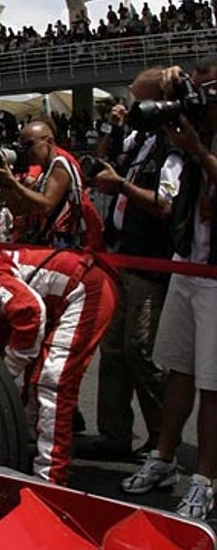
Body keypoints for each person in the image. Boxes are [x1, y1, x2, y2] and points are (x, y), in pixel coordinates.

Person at [0, 247, 117, 486]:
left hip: (87, 290)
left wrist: (9, 369)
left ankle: (50, 478)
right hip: (67, 298)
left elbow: (30, 314)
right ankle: (32, 446)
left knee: (52, 382)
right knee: (36, 380)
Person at [121, 78, 217, 520]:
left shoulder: (199, 143)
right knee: (178, 368)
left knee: (212, 385)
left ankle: (204, 480)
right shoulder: (187, 136)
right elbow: (140, 92)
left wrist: (198, 150)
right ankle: (163, 457)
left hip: (214, 276)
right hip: (185, 263)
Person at [75, 77, 184, 462]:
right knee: (114, 349)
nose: (134, 111)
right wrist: (114, 128)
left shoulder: (173, 146)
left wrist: (121, 185)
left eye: (142, 105)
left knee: (142, 351)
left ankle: (161, 440)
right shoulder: (140, 141)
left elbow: (165, 205)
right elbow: (106, 163)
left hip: (150, 262)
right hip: (122, 256)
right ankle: (114, 435)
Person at [0, 118, 102, 250]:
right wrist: (4, 181)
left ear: (49, 141)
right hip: (47, 244)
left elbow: (47, 204)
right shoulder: (44, 172)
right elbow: (18, 209)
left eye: (29, 145)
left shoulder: (61, 164)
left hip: (61, 247)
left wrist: (13, 183)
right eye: (22, 146)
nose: (26, 151)